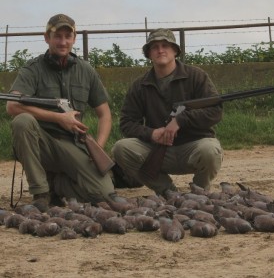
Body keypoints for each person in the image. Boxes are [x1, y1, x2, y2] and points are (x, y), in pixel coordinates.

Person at [6, 13, 123, 212]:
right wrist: (58, 118)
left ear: (74, 38)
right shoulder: (32, 69)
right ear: (46, 38)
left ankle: (56, 184)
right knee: (22, 121)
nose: (63, 41)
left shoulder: (86, 70)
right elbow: (12, 106)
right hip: (43, 142)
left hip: (74, 144)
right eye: (57, 36)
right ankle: (41, 192)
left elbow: (105, 114)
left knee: (103, 194)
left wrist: (98, 149)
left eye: (67, 36)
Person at [112, 28, 223, 197]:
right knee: (121, 148)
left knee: (210, 150)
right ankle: (168, 193)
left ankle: (199, 194)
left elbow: (215, 111)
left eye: (165, 45)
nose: (160, 50)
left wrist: (180, 120)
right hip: (158, 149)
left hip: (193, 146)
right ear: (148, 53)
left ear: (175, 51)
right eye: (154, 47)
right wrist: (152, 134)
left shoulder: (197, 76)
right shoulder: (139, 85)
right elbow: (127, 123)